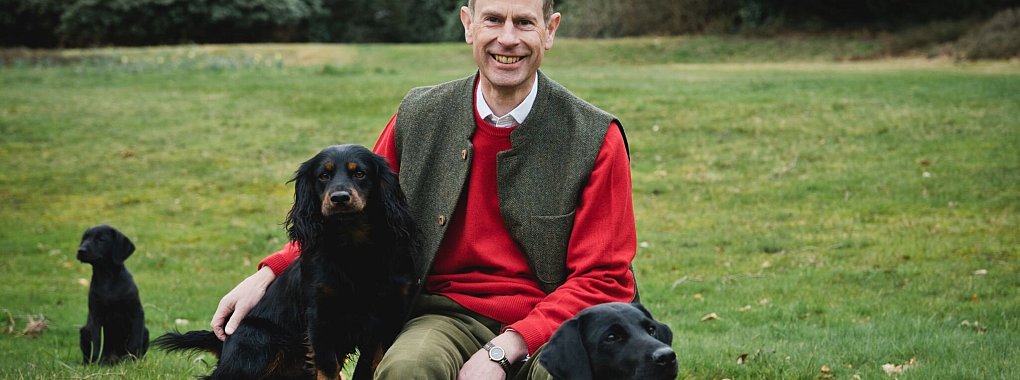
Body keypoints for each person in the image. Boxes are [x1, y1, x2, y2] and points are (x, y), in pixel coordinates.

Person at [211, 0, 637, 378]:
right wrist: (269, 271)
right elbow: (353, 214)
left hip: (554, 320)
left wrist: (507, 347)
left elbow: (603, 278)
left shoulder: (595, 136)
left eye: (524, 23)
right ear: (468, 25)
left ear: (551, 29)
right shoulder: (419, 114)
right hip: (441, 314)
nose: (508, 39)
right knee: (405, 369)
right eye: (493, 20)